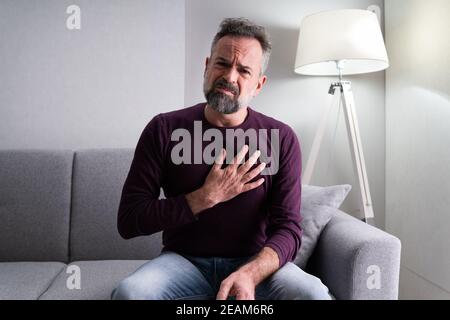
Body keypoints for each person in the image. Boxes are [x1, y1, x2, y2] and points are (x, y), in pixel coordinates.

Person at [111, 17, 331, 300]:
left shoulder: (281, 137)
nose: (230, 77)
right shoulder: (163, 129)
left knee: (314, 294)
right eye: (222, 63)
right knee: (131, 293)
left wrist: (250, 274)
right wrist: (204, 197)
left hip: (255, 264)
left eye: (244, 70)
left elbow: (288, 228)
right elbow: (129, 220)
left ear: (259, 84)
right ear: (206, 66)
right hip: (183, 263)